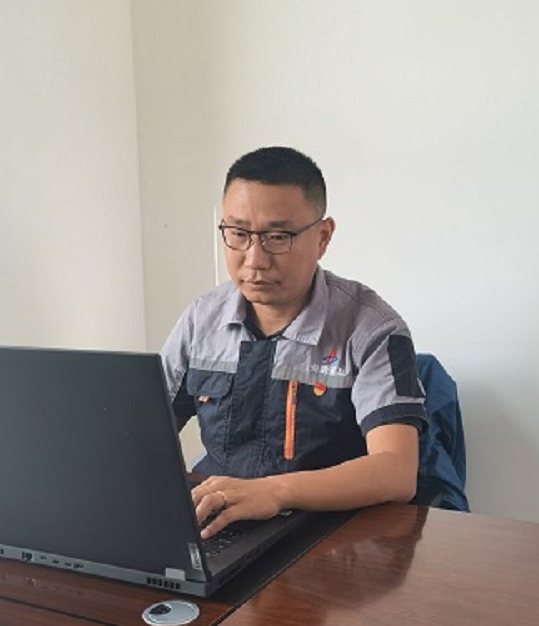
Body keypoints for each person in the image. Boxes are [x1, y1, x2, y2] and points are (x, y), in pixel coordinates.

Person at [161, 146, 426, 539]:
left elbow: (397, 470)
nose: (254, 259)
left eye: (277, 237)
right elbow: (140, 432)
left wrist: (274, 492)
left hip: (328, 537)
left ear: (323, 237)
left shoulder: (370, 328)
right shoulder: (202, 320)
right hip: (218, 525)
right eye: (238, 235)